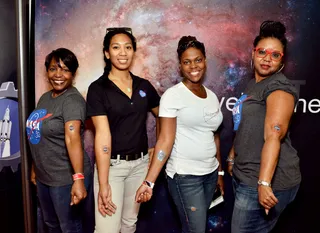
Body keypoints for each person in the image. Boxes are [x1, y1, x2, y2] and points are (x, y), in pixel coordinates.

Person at [135, 36, 224, 233]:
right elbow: (165, 141)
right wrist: (149, 182)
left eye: (198, 60)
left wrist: (219, 172)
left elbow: (214, 135)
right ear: (180, 66)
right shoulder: (173, 96)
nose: (194, 66)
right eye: (187, 61)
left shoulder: (212, 96)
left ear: (205, 60)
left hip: (209, 174)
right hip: (185, 176)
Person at [228, 20, 301, 233]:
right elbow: (244, 126)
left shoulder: (279, 87)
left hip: (264, 181)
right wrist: (233, 156)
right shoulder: (254, 84)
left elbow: (273, 136)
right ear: (253, 53)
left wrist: (264, 183)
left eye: (275, 55)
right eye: (262, 52)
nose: (267, 58)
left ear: (281, 61)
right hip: (245, 175)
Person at [86, 27, 160, 233]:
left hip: (140, 166)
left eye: (128, 47)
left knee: (129, 224)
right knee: (106, 229)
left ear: (134, 52)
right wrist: (103, 182)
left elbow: (163, 115)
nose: (123, 52)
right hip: (112, 168)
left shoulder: (144, 86)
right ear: (107, 53)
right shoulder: (98, 89)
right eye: (116, 47)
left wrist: (158, 145)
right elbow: (102, 134)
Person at [27, 48, 92, 233]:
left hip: (65, 178)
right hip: (44, 176)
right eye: (54, 68)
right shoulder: (45, 98)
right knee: (50, 224)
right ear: (47, 71)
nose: (58, 75)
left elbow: (73, 139)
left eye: (65, 69)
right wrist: (35, 167)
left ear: (73, 73)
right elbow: (37, 134)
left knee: (68, 228)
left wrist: (78, 179)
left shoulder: (72, 101)